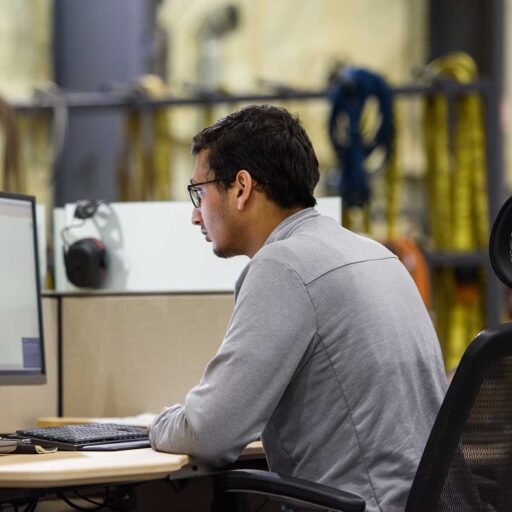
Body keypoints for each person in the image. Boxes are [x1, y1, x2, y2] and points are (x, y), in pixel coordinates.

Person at [148, 105, 447, 512]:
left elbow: (210, 433)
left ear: (241, 187)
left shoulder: (283, 266)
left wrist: (157, 424)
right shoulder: (373, 254)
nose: (195, 214)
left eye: (199, 192)